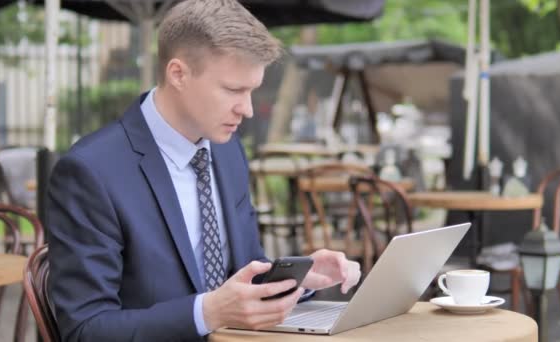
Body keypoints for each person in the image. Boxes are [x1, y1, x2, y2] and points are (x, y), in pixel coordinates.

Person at [46, 0, 361, 341]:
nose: (248, 109)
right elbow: (85, 330)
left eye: (252, 90)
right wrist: (208, 313)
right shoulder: (90, 172)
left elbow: (243, 271)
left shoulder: (226, 150)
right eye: (233, 90)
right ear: (178, 74)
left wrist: (297, 278)